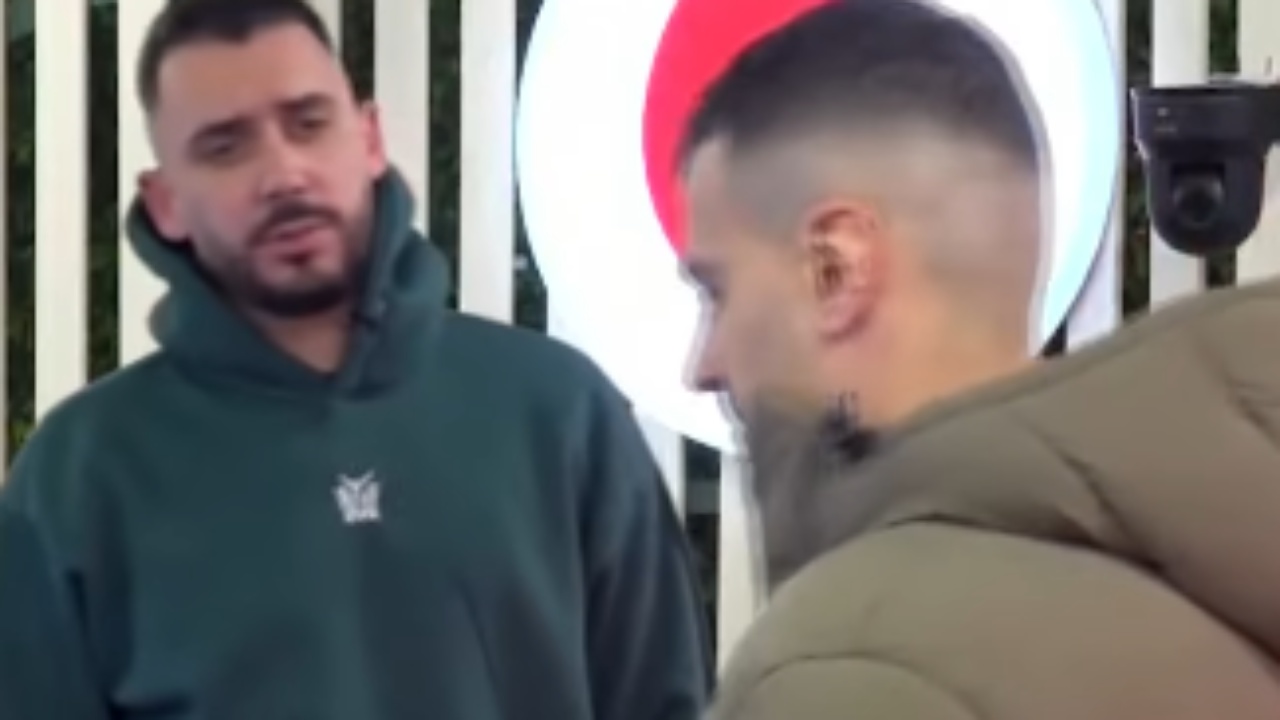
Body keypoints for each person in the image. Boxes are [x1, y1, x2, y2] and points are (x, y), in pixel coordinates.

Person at [0, 1, 711, 718]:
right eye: (225, 147)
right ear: (165, 204)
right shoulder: (79, 481)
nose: (283, 173)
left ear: (370, 139)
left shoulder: (558, 414)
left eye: (308, 123)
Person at [678, 0, 1280, 718]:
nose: (702, 364)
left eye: (717, 291)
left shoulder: (844, 675)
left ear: (835, 268)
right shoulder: (1218, 597)